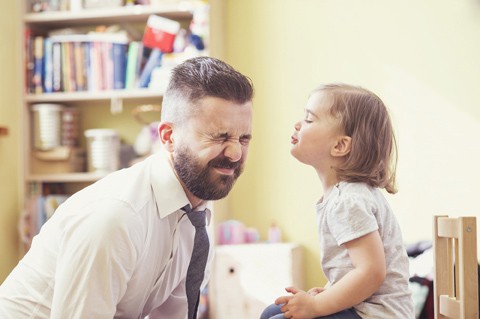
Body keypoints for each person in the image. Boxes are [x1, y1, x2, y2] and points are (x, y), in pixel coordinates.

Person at [0, 56, 254, 319]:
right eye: (219, 136)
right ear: (168, 137)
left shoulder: (195, 215)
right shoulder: (116, 217)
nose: (235, 152)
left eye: (244, 138)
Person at [260, 83, 414, 319]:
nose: (298, 125)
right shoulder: (344, 196)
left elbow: (371, 272)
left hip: (377, 315)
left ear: (340, 145)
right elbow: (351, 267)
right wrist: (328, 292)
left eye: (309, 120)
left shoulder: (348, 200)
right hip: (363, 308)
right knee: (273, 312)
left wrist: (317, 307)